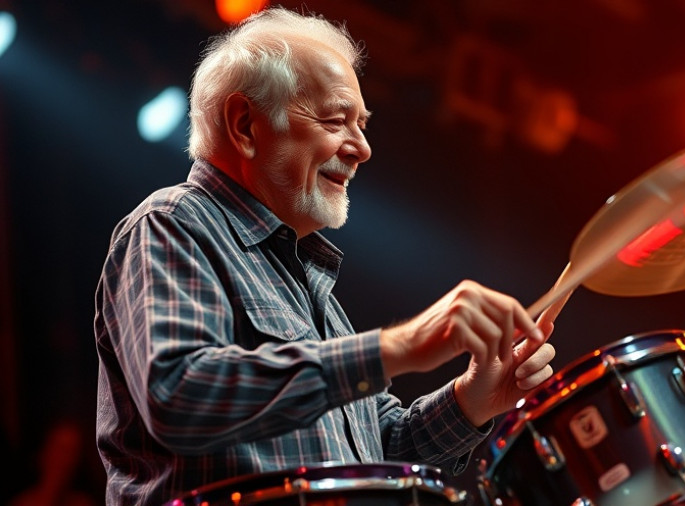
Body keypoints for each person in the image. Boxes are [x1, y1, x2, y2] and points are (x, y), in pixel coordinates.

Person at [93, 6, 557, 505]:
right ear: (245, 124)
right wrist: (395, 347)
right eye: (337, 120)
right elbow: (179, 395)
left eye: (362, 124)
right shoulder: (172, 223)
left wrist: (470, 401)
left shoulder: (307, 282)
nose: (362, 148)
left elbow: (380, 451)